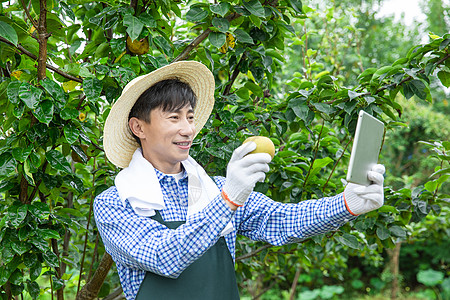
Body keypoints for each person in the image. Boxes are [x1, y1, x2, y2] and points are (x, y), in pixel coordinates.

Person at [93, 61, 385, 300]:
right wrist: (228, 200)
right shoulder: (115, 203)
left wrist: (348, 203)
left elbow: (282, 220)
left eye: (190, 118)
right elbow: (162, 256)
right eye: (173, 118)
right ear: (138, 127)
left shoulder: (216, 188)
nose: (187, 130)